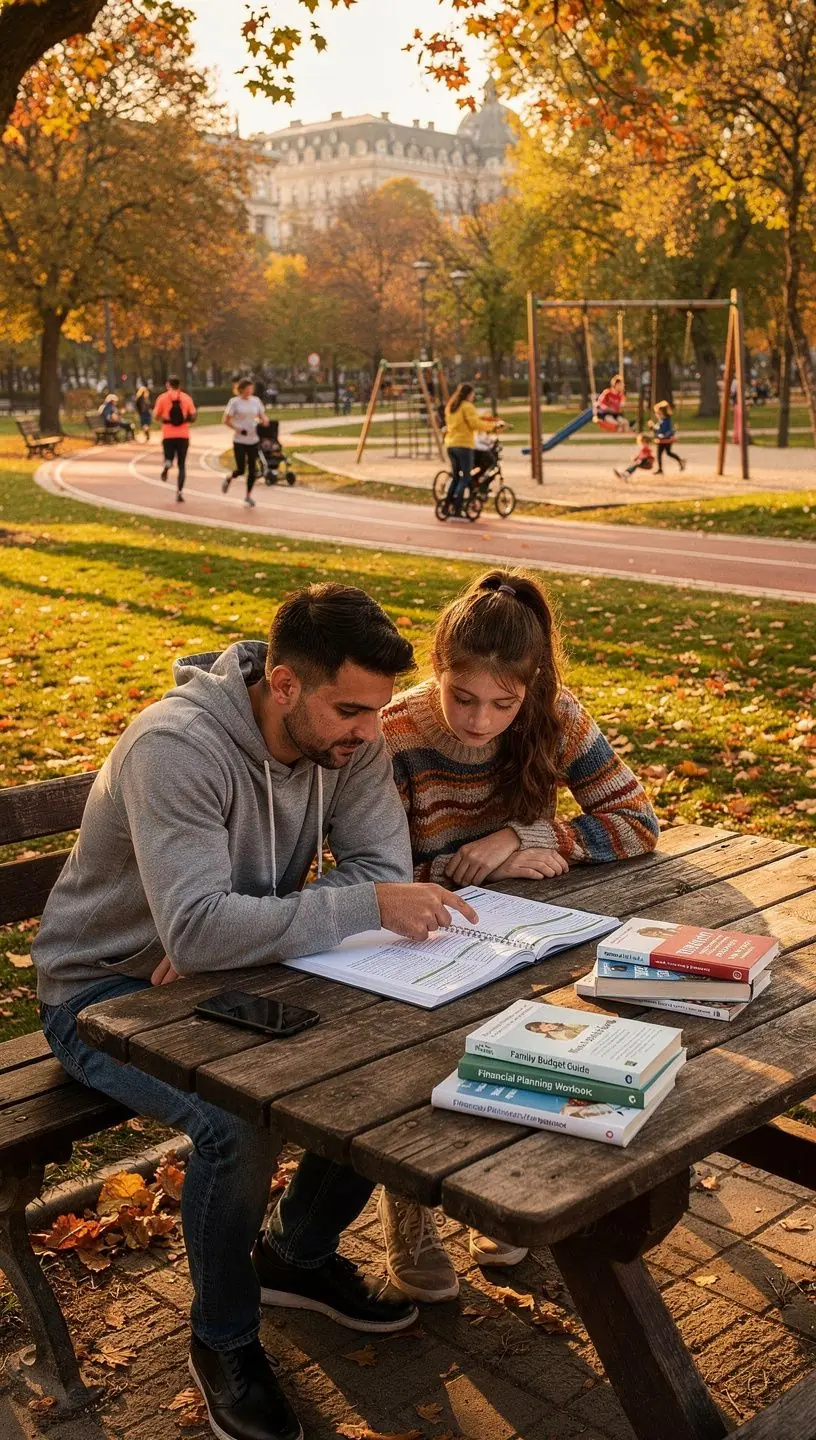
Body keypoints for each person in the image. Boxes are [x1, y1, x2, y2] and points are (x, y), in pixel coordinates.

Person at [33, 583, 480, 1440]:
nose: (369, 732)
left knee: (391, 1055)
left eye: (376, 709)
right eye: (350, 710)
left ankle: (295, 1255)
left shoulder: (347, 742)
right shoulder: (176, 747)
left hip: (236, 973)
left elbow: (378, 869)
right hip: (101, 990)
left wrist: (240, 935)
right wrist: (225, 933)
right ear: (282, 684)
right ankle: (224, 1338)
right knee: (235, 1123)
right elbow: (207, 928)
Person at [376, 569, 660, 1303]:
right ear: (437, 671)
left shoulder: (555, 714)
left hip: (525, 931)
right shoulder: (395, 733)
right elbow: (375, 874)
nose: (480, 721)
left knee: (533, 1040)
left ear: (530, 688)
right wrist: (464, 868)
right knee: (413, 1052)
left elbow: (637, 822)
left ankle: (496, 1188)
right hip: (421, 934)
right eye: (462, 697)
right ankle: (408, 1206)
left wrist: (524, 837)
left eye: (503, 704)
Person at [441, 382, 505, 516]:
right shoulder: (467, 406)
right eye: (473, 394)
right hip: (463, 445)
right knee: (465, 476)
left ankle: (447, 505)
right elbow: (475, 424)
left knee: (456, 477)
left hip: (451, 445)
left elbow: (468, 420)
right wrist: (493, 426)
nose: (473, 397)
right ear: (469, 394)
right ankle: (458, 507)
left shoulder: (451, 406)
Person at [222, 377, 267, 508]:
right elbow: (226, 420)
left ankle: (248, 496)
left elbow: (262, 416)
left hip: (253, 440)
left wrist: (265, 421)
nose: (250, 391)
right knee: (241, 469)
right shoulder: (234, 402)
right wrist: (238, 429)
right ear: (241, 389)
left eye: (251, 388)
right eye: (248, 388)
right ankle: (229, 477)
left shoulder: (256, 401)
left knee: (252, 470)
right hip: (239, 440)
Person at [153, 376, 196, 501]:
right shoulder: (186, 398)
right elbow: (193, 416)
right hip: (183, 435)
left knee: (169, 456)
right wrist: (186, 420)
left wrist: (164, 419)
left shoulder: (162, 398)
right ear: (179, 385)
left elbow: (155, 416)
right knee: (182, 465)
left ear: (168, 385)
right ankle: (179, 492)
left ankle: (168, 463)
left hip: (168, 435)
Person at [651, 400, 686, 474]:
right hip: (661, 439)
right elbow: (658, 430)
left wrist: (665, 436)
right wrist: (653, 427)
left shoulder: (667, 420)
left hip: (666, 439)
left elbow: (669, 430)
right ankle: (660, 469)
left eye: (658, 412)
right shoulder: (661, 420)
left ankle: (680, 461)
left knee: (668, 452)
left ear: (662, 411)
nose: (656, 413)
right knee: (660, 454)